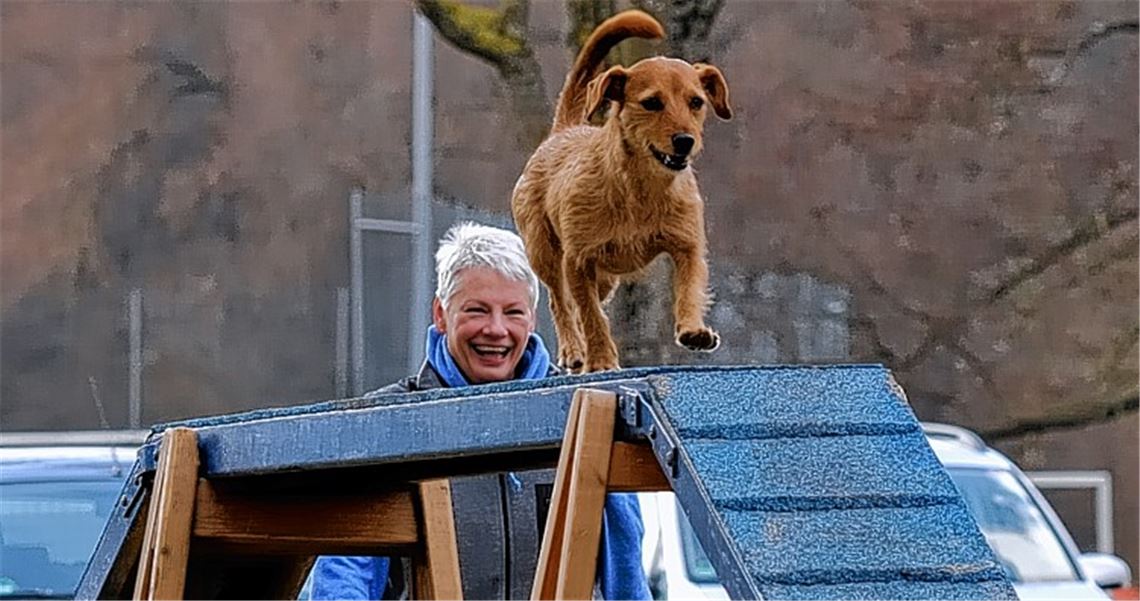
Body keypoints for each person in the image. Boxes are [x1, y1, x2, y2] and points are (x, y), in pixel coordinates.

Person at [306, 222, 650, 600]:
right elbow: (343, 580)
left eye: (513, 312)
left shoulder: (585, 420)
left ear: (533, 318)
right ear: (441, 313)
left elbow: (627, 578)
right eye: (477, 310)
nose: (496, 329)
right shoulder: (385, 427)